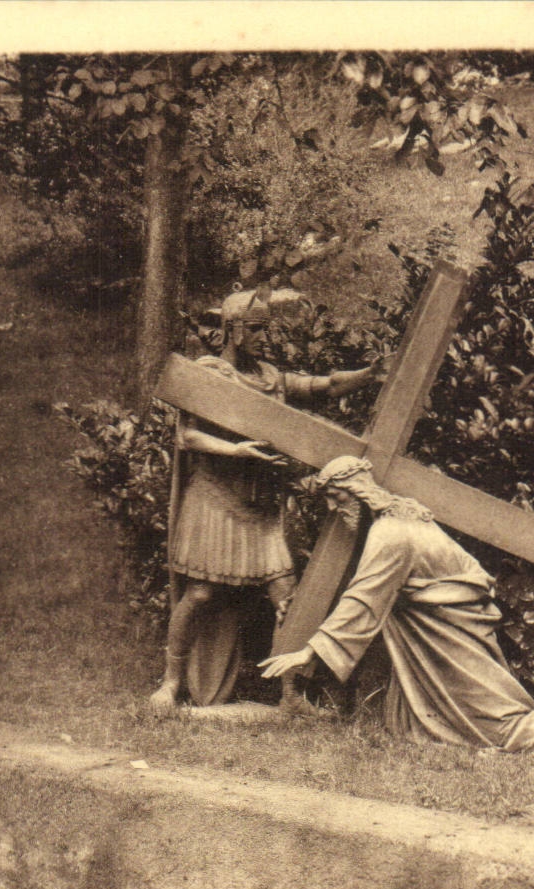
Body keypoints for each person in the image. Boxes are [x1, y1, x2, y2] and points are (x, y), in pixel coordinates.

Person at [259, 456, 534, 756]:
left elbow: (364, 599)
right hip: (444, 629)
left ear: (360, 493)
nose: (332, 507)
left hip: (450, 636)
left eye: (338, 497)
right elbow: (368, 587)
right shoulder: (402, 519)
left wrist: (310, 652)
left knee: (498, 729)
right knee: (423, 729)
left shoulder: (390, 534)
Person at [149, 287, 380, 714]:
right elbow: (188, 436)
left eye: (266, 330)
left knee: (286, 598)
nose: (264, 338)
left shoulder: (271, 377)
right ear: (233, 330)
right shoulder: (210, 373)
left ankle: (291, 694)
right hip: (215, 499)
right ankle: (171, 682)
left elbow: (325, 385)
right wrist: (237, 450)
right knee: (201, 594)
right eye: (255, 329)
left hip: (259, 507)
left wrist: (370, 373)